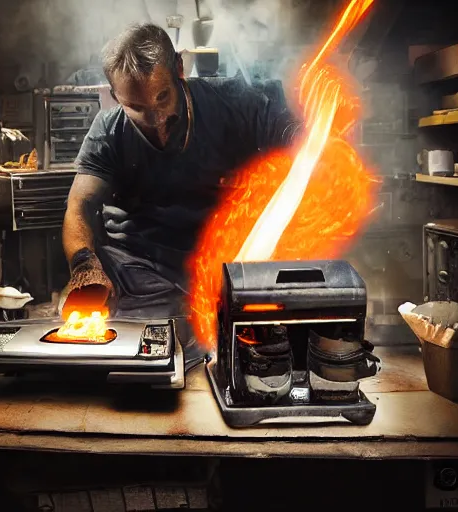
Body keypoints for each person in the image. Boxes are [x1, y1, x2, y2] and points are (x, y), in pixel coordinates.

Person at [61, 23, 301, 354]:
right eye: (137, 108)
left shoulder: (233, 103)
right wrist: (85, 266)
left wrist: (305, 137)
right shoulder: (108, 131)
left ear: (178, 69)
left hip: (225, 270)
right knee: (146, 355)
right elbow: (80, 206)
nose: (157, 120)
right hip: (139, 275)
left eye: (162, 98)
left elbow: (285, 124)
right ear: (116, 96)